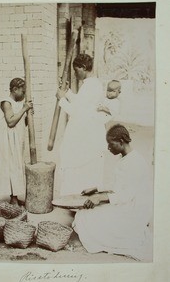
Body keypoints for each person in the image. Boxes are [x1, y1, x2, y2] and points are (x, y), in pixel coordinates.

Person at [72, 124, 153, 261]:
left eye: (111, 144)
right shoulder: (126, 158)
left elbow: (126, 195)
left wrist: (100, 198)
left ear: (121, 141)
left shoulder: (136, 163)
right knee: (84, 213)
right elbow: (117, 184)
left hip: (133, 211)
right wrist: (96, 188)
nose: (108, 148)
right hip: (125, 204)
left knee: (86, 216)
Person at [56, 53, 106, 196]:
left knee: (81, 163)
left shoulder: (91, 86)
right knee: (81, 164)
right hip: (87, 130)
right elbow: (81, 103)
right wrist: (67, 92)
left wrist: (61, 100)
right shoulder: (91, 84)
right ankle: (77, 198)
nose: (75, 73)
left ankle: (78, 199)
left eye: (76, 70)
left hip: (87, 133)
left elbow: (77, 111)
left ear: (83, 67)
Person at [0, 78, 33, 206]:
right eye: (22, 92)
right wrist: (24, 109)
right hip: (7, 141)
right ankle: (13, 198)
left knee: (16, 166)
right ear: (15, 89)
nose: (23, 95)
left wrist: (28, 115)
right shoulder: (6, 102)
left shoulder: (17, 103)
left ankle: (15, 196)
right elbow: (11, 122)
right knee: (11, 167)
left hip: (16, 140)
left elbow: (21, 122)